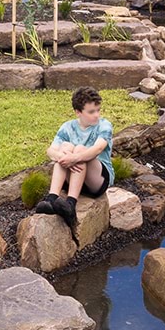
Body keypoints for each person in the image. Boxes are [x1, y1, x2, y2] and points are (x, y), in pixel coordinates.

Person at [32, 87, 115, 227]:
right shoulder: (67, 127)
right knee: (64, 148)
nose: (96, 115)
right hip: (73, 179)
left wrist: (75, 158)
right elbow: (50, 151)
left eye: (98, 110)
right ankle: (51, 199)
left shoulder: (104, 126)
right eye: (91, 112)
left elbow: (97, 149)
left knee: (80, 150)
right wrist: (61, 156)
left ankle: (71, 203)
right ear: (78, 112)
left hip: (97, 180)